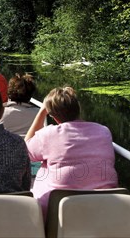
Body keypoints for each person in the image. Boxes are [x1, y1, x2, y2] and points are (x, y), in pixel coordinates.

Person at [25, 86, 118, 218]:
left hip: (59, 214)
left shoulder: (49, 135)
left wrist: (41, 112)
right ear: (78, 109)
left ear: (54, 116)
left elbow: (24, 152)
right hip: (103, 208)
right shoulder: (103, 131)